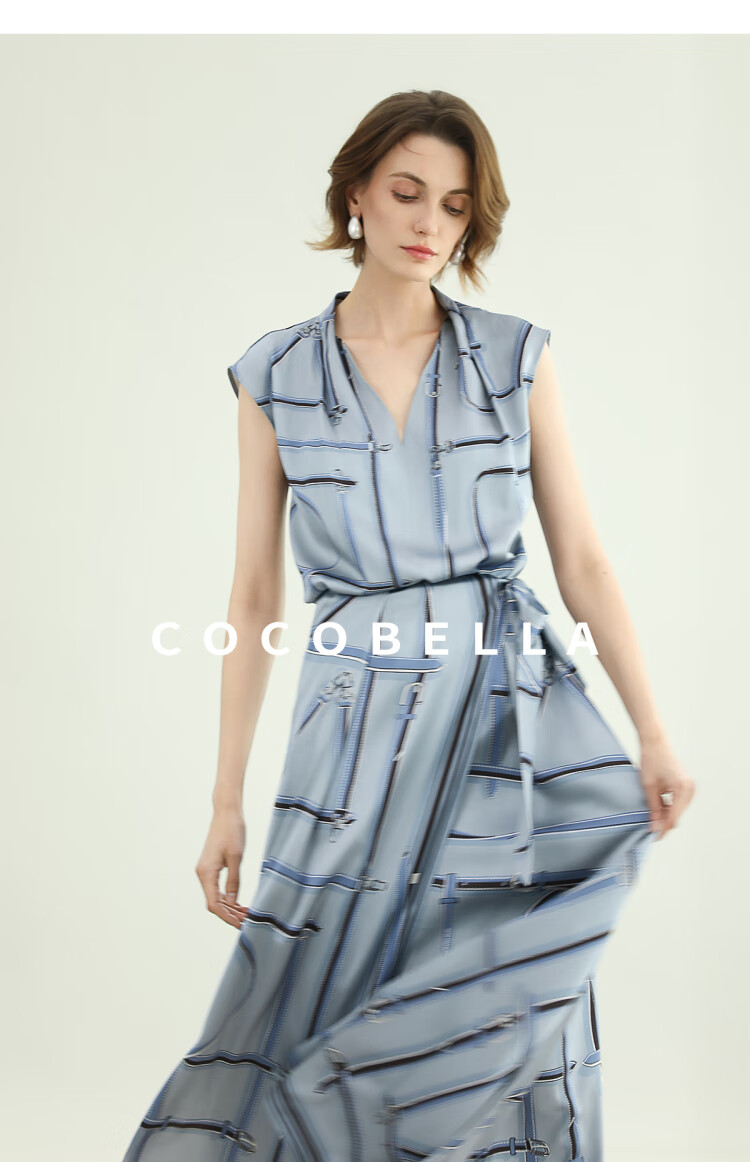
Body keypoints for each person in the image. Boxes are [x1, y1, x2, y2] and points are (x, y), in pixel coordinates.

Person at [123, 89, 694, 1162]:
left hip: (503, 718)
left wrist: (652, 730)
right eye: (407, 192)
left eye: (457, 205)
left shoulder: (514, 358)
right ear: (356, 196)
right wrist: (224, 799)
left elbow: (582, 560)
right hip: (350, 721)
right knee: (311, 974)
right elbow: (254, 596)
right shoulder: (276, 375)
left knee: (492, 990)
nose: (431, 222)